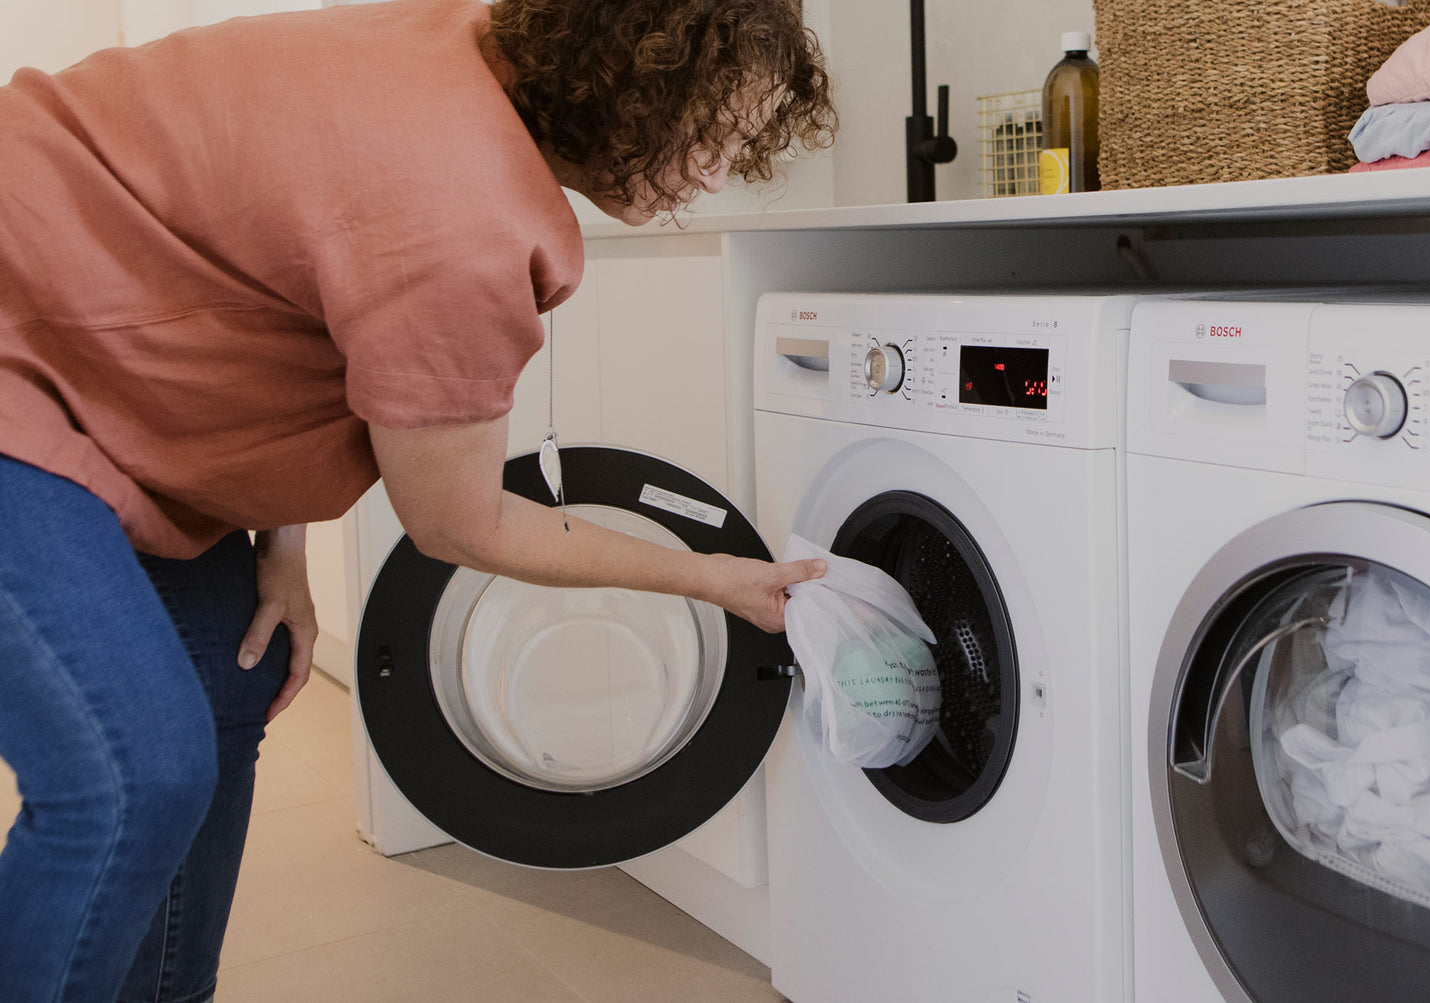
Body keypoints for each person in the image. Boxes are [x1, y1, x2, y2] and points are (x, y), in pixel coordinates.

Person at [0, 0, 837, 999]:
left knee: (229, 686)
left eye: (736, 148)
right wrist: (712, 576)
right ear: (630, 79)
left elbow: (274, 283)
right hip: (27, 361)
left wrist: (284, 544)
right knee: (134, 776)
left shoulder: (456, 44)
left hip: (90, 366)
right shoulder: (463, 211)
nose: (710, 174)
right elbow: (459, 521)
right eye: (705, 133)